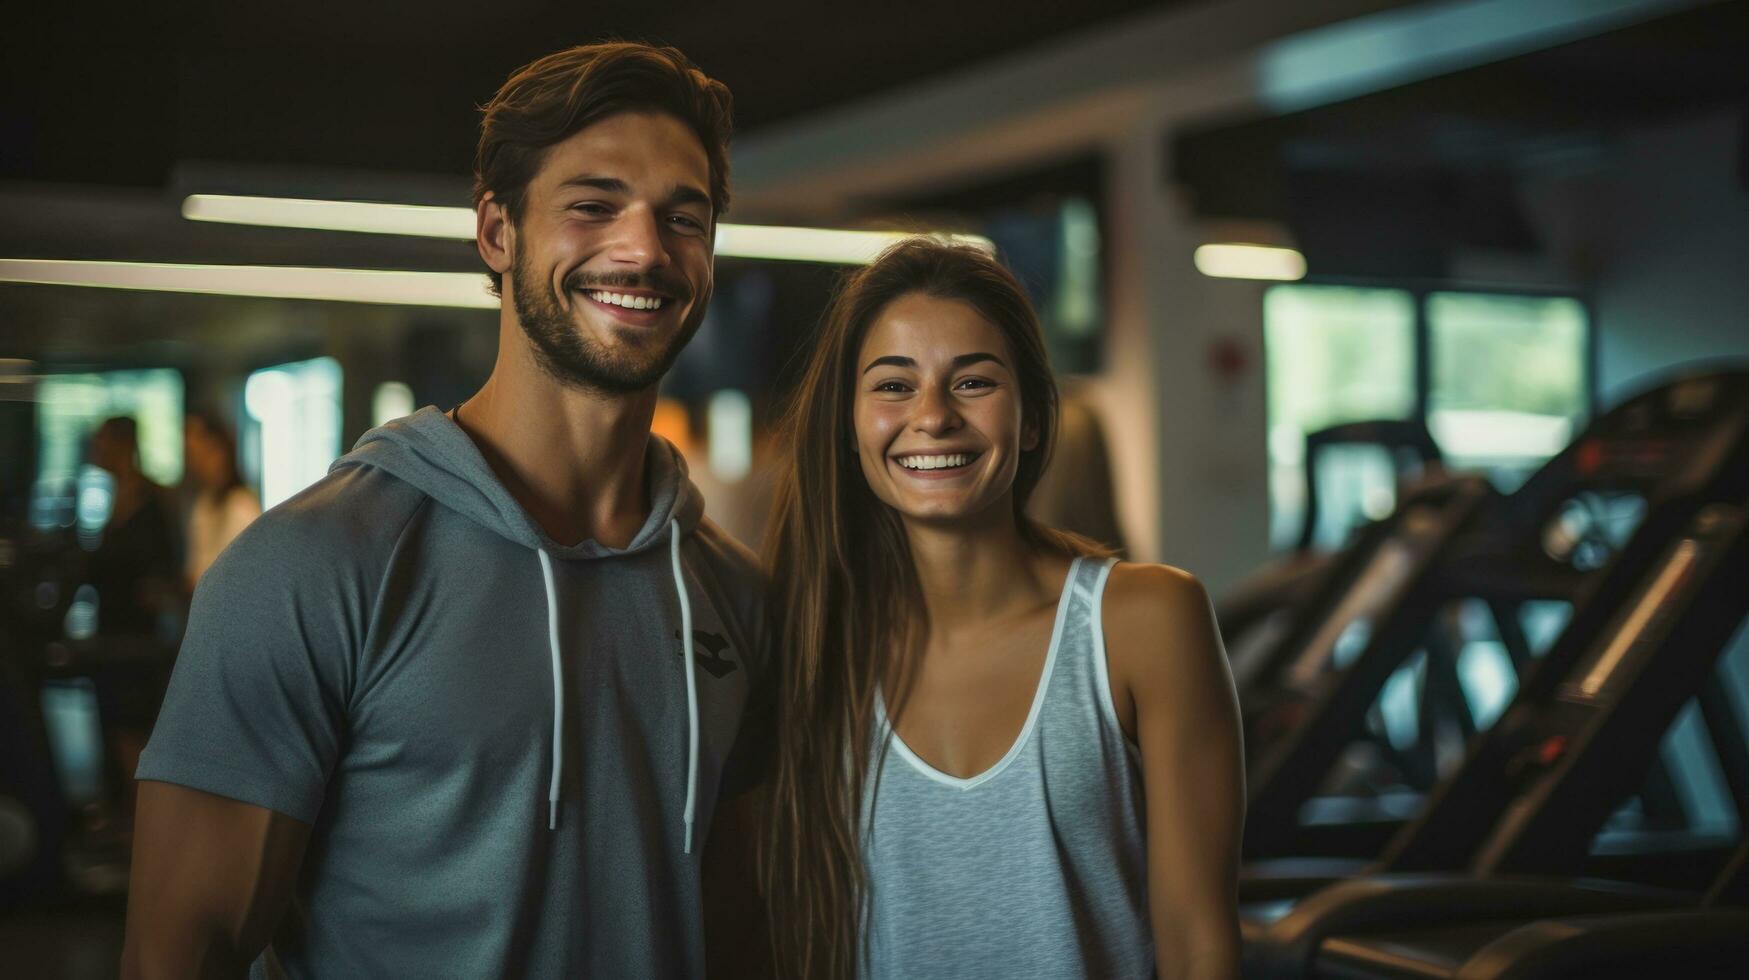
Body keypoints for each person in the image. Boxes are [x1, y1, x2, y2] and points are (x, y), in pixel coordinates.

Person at [123, 42, 770, 978]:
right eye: (593, 205)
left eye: (684, 217)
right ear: (497, 234)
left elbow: (738, 933)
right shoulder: (309, 568)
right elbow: (176, 955)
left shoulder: (737, 599)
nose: (643, 248)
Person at [760, 240, 1244, 979]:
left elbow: (1197, 944)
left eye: (973, 382)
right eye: (893, 385)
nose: (932, 416)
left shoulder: (1145, 620)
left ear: (1032, 419)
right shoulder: (811, 641)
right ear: (848, 427)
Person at [85, 416, 177, 637]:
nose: (95, 448)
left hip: (136, 628)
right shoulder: (117, 496)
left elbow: (160, 563)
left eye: (101, 441)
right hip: (112, 619)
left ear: (122, 445)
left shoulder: (149, 499)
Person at [180, 409, 260, 591]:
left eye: (195, 449)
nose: (191, 459)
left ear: (218, 447)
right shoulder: (204, 502)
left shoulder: (241, 506)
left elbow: (243, 576)